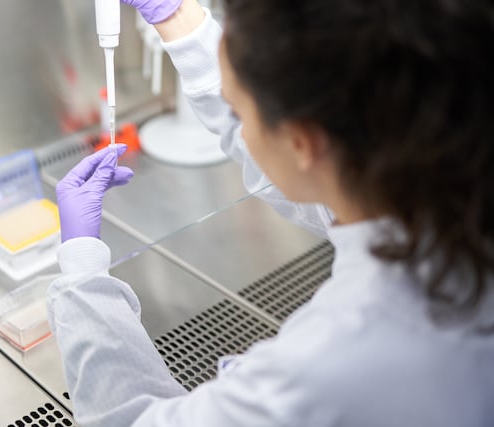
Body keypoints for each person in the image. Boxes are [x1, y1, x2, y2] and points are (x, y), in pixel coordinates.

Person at [47, 0, 494, 425]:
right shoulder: (442, 187)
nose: (234, 122)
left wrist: (83, 268)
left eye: (240, 112)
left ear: (304, 142)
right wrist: (178, 17)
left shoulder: (329, 363)